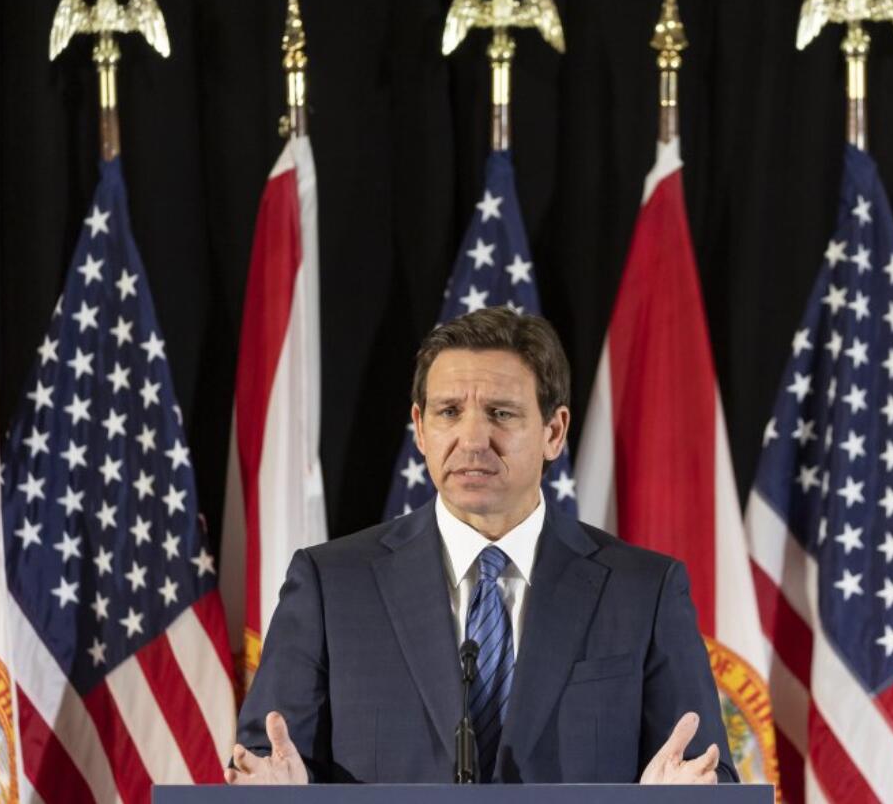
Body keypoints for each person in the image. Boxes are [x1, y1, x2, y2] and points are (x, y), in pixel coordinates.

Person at [226, 307, 736, 785]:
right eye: (449, 412)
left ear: (554, 432)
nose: (472, 439)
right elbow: (270, 764)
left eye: (501, 413)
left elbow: (704, 772)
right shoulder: (332, 584)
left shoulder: (643, 591)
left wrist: (685, 798)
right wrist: (278, 790)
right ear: (421, 429)